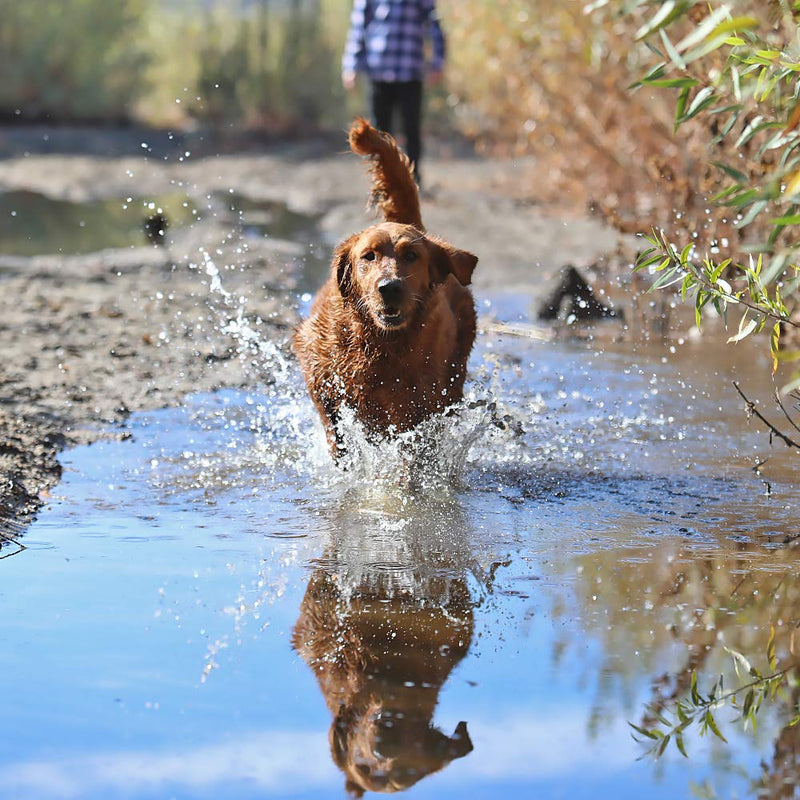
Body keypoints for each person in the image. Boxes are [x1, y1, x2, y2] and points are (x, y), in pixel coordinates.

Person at [342, 0, 445, 186]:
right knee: (379, 133)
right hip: (379, 71)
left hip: (410, 71)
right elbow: (358, 26)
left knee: (411, 129)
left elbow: (434, 23)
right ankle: (382, 183)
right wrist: (351, 66)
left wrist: (437, 62)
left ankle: (413, 181)